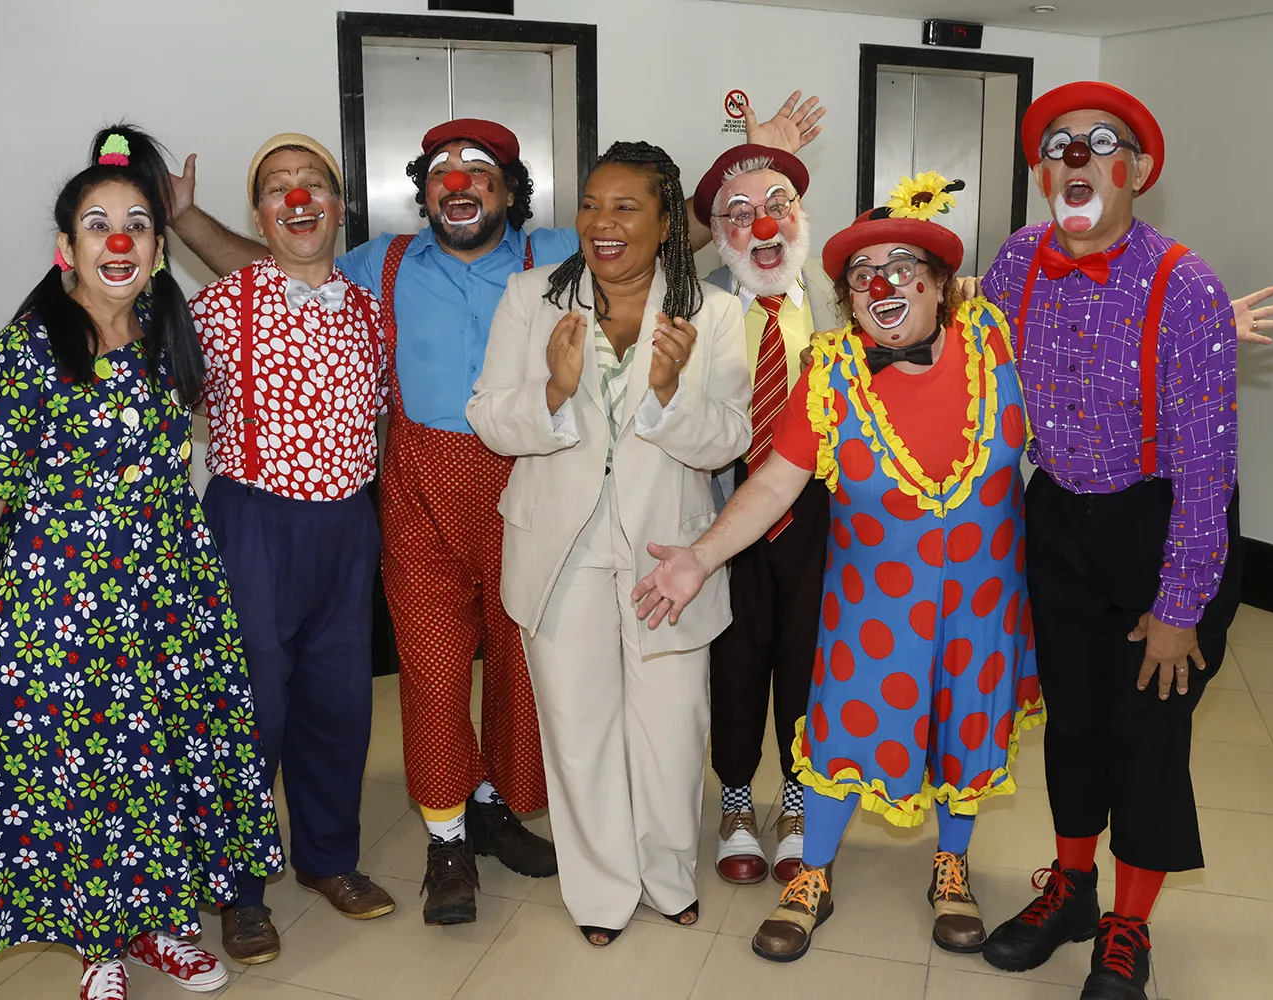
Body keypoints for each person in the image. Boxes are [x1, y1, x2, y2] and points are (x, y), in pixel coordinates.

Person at [167, 93, 824, 925]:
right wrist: (187, 222)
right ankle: (448, 839)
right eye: (442, 174)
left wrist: (747, 163)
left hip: (535, 503)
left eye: (479, 172)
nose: (459, 186)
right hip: (428, 492)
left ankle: (504, 810)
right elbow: (278, 257)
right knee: (439, 678)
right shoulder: (384, 263)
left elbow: (667, 234)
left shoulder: (556, 254)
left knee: (531, 687)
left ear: (511, 191)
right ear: (424, 192)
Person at [634, 173, 1042, 961]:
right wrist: (700, 556)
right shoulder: (829, 372)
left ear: (940, 283)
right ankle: (811, 875)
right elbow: (775, 482)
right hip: (873, 609)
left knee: (968, 724)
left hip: (984, 604)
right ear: (847, 298)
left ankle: (950, 868)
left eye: (899, 266)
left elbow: (1090, 350)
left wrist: (1180, 341)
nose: (880, 285)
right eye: (859, 275)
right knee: (840, 731)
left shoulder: (997, 337)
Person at [0, 125, 281, 1000]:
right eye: (97, 224)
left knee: (163, 761)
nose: (118, 239)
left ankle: (161, 926)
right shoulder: (23, 359)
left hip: (170, 603)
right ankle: (99, 945)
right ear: (67, 249)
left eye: (136, 222)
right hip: (62, 615)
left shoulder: (168, 346)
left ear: (160, 251)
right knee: (83, 774)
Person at [974, 82, 1241, 1000]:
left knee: (1147, 735)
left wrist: (1180, 608)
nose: (1077, 155)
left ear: (1140, 172)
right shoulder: (1014, 261)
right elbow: (977, 370)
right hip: (1060, 521)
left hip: (1162, 530)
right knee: (1074, 725)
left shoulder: (1188, 284)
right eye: (1060, 143)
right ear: (1044, 171)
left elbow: (1210, 470)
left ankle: (1130, 927)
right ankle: (1074, 890)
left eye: (1101, 141)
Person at [467, 141, 751, 946]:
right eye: (591, 204)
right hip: (560, 546)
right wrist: (553, 390)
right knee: (579, 726)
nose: (601, 222)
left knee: (671, 726)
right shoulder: (531, 297)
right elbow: (490, 416)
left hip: (670, 554)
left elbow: (727, 439)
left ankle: (666, 875)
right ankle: (599, 891)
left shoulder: (717, 313)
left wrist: (665, 397)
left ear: (666, 223)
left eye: (626, 206)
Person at [186, 133, 396, 963]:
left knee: (340, 705)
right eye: (279, 186)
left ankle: (327, 859)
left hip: (347, 527)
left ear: (339, 209)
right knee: (249, 711)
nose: (298, 198)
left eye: (315, 184)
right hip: (253, 527)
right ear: (261, 214)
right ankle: (238, 891)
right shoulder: (215, 306)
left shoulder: (370, 308)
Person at [692, 143, 843, 886]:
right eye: (740, 212)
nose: (762, 225)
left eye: (777, 204)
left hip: (823, 512)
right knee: (738, 659)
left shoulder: (847, 298)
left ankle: (797, 801)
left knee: (809, 658)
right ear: (718, 233)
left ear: (802, 217)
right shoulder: (696, 305)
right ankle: (737, 800)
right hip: (727, 507)